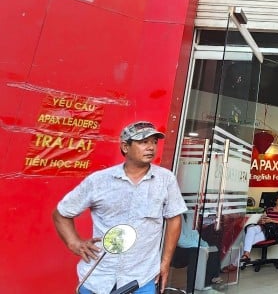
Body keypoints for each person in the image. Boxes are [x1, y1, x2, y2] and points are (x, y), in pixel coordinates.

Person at [52, 121, 187, 294]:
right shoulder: (99, 181)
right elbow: (61, 213)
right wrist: (74, 243)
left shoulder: (165, 180)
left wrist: (165, 262)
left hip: (142, 279)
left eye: (154, 142)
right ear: (125, 147)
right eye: (143, 142)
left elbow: (174, 219)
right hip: (98, 278)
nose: (151, 147)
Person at [233, 191, 278, 268]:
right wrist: (261, 221)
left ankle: (234, 264)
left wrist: (271, 220)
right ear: (275, 200)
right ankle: (245, 255)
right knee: (251, 229)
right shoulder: (269, 209)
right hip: (265, 227)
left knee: (246, 241)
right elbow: (261, 220)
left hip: (274, 231)